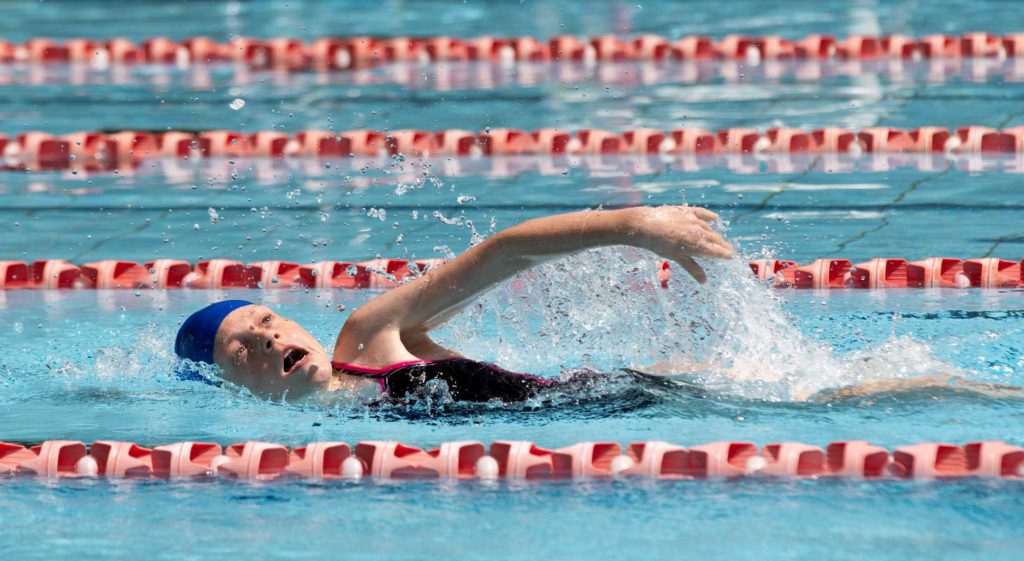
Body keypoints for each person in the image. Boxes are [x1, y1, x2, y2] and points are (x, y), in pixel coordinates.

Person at [175, 204, 733, 402]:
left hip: (647, 394)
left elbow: (501, 254)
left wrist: (633, 225)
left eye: (266, 320)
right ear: (230, 384)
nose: (267, 338)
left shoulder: (369, 338)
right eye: (242, 350)